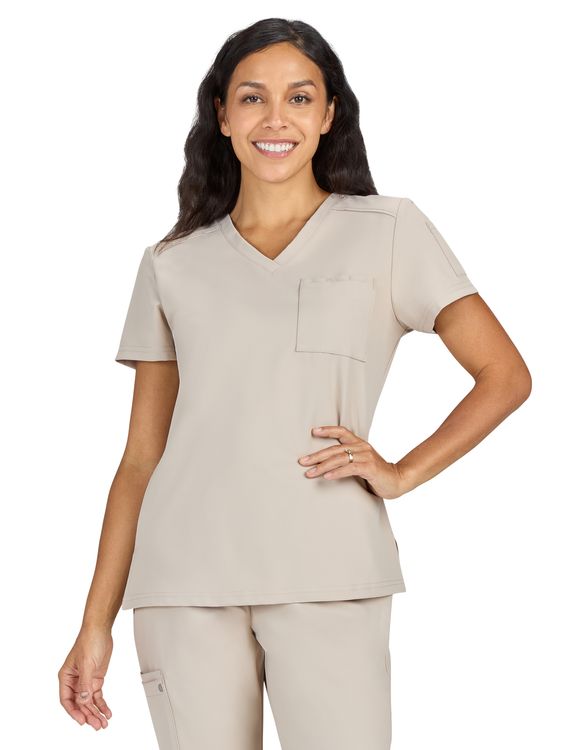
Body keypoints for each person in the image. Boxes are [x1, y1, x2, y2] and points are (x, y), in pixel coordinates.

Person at [58, 17, 532, 750]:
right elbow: (141, 459)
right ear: (221, 115)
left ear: (329, 114)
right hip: (182, 584)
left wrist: (402, 473)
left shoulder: (389, 230)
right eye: (252, 97)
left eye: (300, 97)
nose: (275, 118)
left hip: (330, 573)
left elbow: (503, 375)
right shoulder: (171, 263)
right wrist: (94, 624)